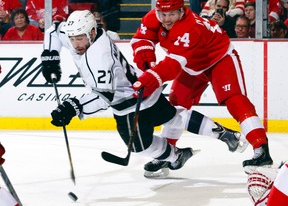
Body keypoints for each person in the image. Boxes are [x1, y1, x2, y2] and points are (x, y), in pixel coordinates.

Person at [40, 10, 247, 178]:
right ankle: (198, 145)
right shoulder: (80, 35)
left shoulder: (100, 56)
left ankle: (196, 147)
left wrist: (73, 107)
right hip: (136, 89)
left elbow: (105, 98)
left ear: (92, 33)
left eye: (80, 38)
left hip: (131, 97)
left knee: (155, 132)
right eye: (72, 39)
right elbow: (53, 31)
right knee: (160, 128)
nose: (75, 44)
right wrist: (50, 57)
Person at [130, 0, 273, 174]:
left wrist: (148, 79)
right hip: (191, 65)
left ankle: (261, 150)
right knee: (174, 107)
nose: (166, 19)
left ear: (181, 11)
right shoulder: (154, 17)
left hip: (219, 58)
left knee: (235, 100)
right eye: (163, 14)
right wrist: (146, 59)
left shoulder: (189, 27)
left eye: (172, 14)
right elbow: (142, 38)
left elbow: (172, 66)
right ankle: (169, 154)